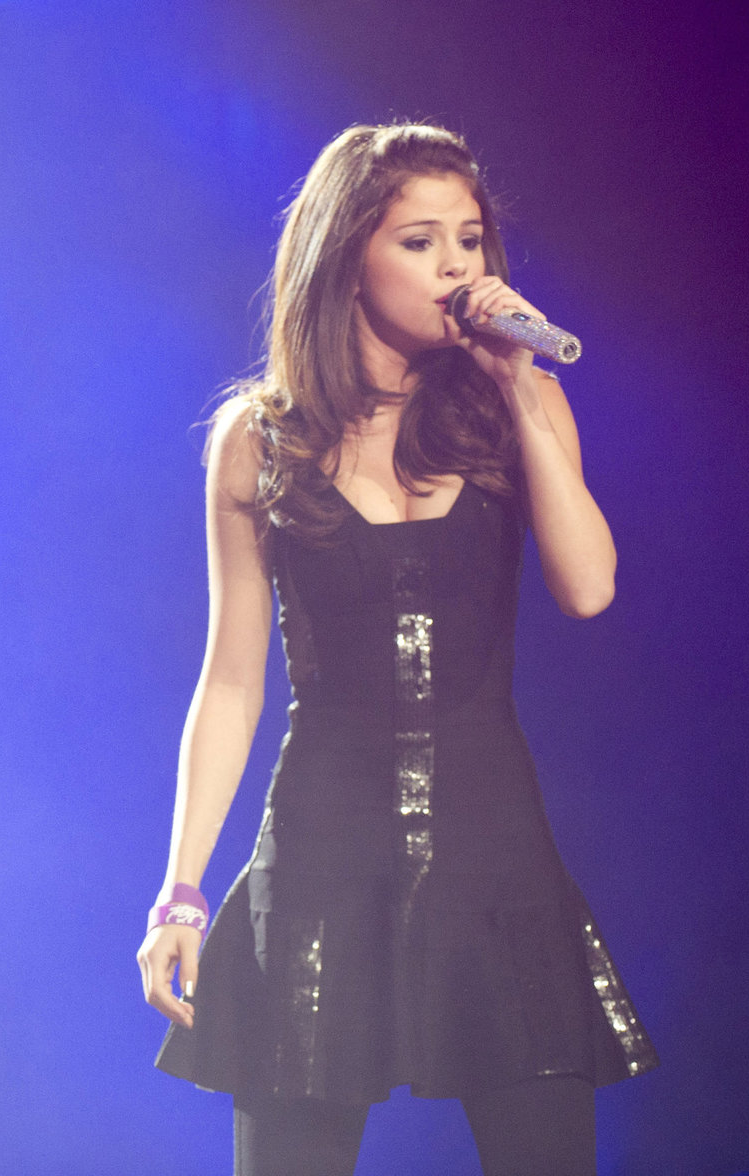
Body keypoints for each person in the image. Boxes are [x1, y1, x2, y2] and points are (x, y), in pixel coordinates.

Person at [135, 124, 657, 1175]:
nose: (457, 266)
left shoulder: (517, 405)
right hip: (321, 849)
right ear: (347, 257)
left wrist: (520, 386)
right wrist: (182, 888)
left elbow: (590, 587)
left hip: (495, 844)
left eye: (470, 238)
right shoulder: (259, 439)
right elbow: (232, 678)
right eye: (421, 241)